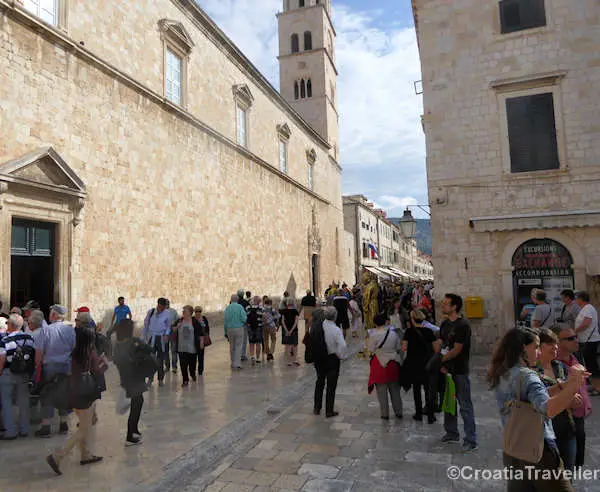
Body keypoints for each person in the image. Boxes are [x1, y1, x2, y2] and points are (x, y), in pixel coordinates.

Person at [487, 327, 588, 491]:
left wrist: (562, 386)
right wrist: (574, 385)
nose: (539, 353)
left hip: (513, 449)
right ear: (522, 349)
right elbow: (548, 409)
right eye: (535, 347)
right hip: (538, 451)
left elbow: (529, 399)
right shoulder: (528, 376)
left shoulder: (504, 373)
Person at [46, 326, 107, 475]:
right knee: (84, 428)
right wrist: (104, 363)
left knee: (88, 420)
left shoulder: (74, 352)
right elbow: (97, 370)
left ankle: (85, 454)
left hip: (74, 391)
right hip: (85, 393)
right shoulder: (89, 353)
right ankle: (58, 456)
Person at [535, 329, 580, 472]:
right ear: (538, 347)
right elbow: (545, 404)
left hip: (567, 429)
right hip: (545, 435)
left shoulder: (559, 367)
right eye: (549, 344)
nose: (555, 347)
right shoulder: (533, 373)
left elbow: (574, 396)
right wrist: (567, 398)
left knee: (568, 476)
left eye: (555, 343)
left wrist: (570, 397)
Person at [439, 293, 477, 452]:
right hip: (446, 370)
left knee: (464, 405)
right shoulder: (444, 324)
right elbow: (441, 343)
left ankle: (470, 439)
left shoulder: (463, 325)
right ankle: (451, 432)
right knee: (449, 402)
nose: (443, 305)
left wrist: (441, 360)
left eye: (446, 303)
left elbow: (457, 349)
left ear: (454, 306)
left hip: (459, 370)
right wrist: (439, 360)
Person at [34, 304, 76, 438]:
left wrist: (37, 365)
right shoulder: (70, 330)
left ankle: (46, 425)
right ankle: (63, 423)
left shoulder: (46, 330)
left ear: (53, 315)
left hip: (50, 366)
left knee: (47, 394)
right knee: (64, 393)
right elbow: (74, 348)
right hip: (66, 366)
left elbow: (39, 351)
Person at [554, 325, 592, 469]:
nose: (576, 340)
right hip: (565, 416)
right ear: (558, 342)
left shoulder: (576, 356)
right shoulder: (554, 364)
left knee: (576, 460)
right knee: (566, 461)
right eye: (570, 338)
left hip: (580, 414)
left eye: (576, 337)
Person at [113, 319, 148, 447]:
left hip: (126, 378)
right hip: (135, 378)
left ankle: (134, 430)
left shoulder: (117, 344)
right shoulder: (133, 342)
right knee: (136, 405)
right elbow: (148, 349)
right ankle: (130, 436)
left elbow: (116, 361)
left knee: (137, 403)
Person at [0, 314, 35, 439]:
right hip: (24, 373)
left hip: (8, 373)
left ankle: (10, 431)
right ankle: (24, 429)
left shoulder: (5, 341)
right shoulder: (29, 338)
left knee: (7, 402)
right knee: (23, 401)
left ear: (10, 325)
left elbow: (2, 359)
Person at [404, 309, 438, 424]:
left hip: (414, 364)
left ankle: (418, 414)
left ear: (413, 319)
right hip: (426, 363)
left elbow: (403, 347)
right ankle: (430, 415)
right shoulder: (429, 332)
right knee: (428, 389)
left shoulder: (409, 332)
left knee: (416, 389)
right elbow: (436, 349)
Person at [368, 313, 403, 420]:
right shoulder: (393, 334)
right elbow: (398, 347)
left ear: (374, 323)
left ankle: (385, 414)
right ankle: (398, 411)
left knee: (381, 390)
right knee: (395, 389)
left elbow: (370, 349)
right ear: (385, 322)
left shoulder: (373, 335)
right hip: (392, 363)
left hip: (379, 363)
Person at [313, 306, 347, 417]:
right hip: (332, 358)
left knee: (320, 382)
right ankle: (329, 410)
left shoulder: (319, 326)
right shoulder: (336, 329)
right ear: (335, 316)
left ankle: (317, 407)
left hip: (319, 357)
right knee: (331, 385)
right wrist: (340, 355)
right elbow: (342, 345)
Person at [574, 291, 600, 394]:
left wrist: (574, 331)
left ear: (581, 299)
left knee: (592, 364)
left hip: (590, 340)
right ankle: (594, 385)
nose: (576, 300)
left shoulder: (588, 308)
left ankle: (598, 387)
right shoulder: (585, 308)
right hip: (585, 340)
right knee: (589, 364)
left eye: (577, 298)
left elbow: (586, 323)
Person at [141, 298, 171, 387]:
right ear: (158, 305)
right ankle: (150, 379)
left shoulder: (167, 313)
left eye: (163, 307)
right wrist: (143, 337)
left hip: (161, 338)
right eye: (160, 307)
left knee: (160, 360)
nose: (162, 309)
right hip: (152, 338)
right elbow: (146, 325)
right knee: (151, 360)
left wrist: (166, 334)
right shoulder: (151, 312)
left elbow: (168, 326)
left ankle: (160, 379)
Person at [173, 306, 203, 387]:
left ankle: (192, 374)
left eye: (185, 311)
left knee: (192, 365)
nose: (183, 312)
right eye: (183, 311)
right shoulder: (179, 320)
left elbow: (201, 333)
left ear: (190, 312)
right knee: (183, 365)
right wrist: (176, 327)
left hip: (192, 348)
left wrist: (201, 342)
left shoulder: (195, 322)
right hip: (181, 347)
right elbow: (173, 329)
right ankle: (185, 380)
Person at [224, 294, 247, 370]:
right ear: (237, 300)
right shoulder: (240, 307)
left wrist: (225, 332)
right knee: (238, 346)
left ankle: (233, 362)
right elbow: (244, 318)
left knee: (232, 346)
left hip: (229, 329)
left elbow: (225, 321)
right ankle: (237, 363)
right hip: (238, 328)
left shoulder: (227, 308)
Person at [281, 299, 300, 367]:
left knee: (288, 346)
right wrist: (291, 330)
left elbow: (283, 322)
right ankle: (295, 360)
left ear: (287, 304)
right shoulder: (296, 311)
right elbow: (296, 322)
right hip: (294, 330)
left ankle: (288, 361)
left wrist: (287, 330)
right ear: (293, 304)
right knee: (294, 345)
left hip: (286, 330)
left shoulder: (283, 311)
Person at [246, 296, 264, 364]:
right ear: (259, 301)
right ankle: (258, 358)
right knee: (258, 343)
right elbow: (263, 318)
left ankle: (252, 356)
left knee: (251, 343)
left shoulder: (248, 308)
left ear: (253, 300)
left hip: (250, 327)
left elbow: (246, 317)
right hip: (258, 327)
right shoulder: (261, 308)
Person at [193, 306, 209, 376]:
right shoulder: (192, 319)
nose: (198, 313)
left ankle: (200, 370)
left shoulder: (204, 319)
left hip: (201, 340)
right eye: (196, 311)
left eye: (199, 311)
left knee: (201, 356)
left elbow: (207, 328)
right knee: (193, 356)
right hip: (194, 340)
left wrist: (206, 336)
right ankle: (193, 370)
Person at [165, 299, 179, 374]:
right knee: (165, 351)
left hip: (172, 332)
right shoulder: (161, 312)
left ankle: (174, 367)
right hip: (164, 333)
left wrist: (175, 327)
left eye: (168, 303)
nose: (167, 304)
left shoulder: (173, 311)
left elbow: (178, 320)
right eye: (166, 303)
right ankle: (167, 366)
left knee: (173, 350)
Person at [237, 289, 250, 362]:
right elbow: (248, 312)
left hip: (236, 323)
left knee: (237, 340)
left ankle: (237, 355)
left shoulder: (233, 302)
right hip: (244, 323)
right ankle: (243, 355)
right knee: (244, 339)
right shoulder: (245, 302)